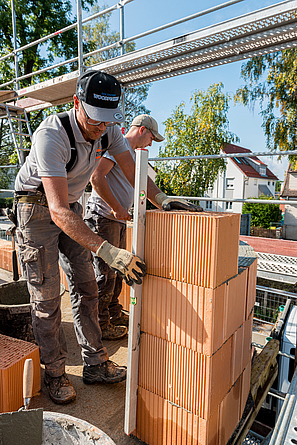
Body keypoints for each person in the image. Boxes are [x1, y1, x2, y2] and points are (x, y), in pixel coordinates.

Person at [13, 70, 201, 405]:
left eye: (107, 122)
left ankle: (95, 363)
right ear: (76, 103)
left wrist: (160, 199)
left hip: (69, 204)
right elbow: (57, 210)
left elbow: (133, 170)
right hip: (37, 206)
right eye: (96, 120)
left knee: (87, 285)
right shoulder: (51, 135)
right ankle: (55, 373)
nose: (101, 128)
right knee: (47, 296)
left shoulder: (108, 129)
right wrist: (109, 251)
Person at [84, 114, 165, 340]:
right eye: (151, 138)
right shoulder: (115, 146)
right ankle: (100, 325)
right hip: (103, 217)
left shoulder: (131, 155)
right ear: (142, 130)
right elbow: (96, 177)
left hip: (116, 219)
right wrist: (117, 207)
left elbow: (143, 185)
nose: (150, 143)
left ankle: (113, 313)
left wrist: (162, 201)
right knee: (105, 273)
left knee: (118, 270)